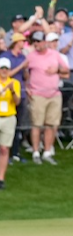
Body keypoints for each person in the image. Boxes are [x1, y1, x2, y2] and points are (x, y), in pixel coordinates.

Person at [28, 33, 69, 165]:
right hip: (37, 94)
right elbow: (24, 73)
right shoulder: (31, 56)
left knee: (50, 125)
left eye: (38, 41)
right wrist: (26, 87)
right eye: (34, 41)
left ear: (45, 42)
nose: (36, 44)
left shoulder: (54, 54)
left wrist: (57, 70)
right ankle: (35, 152)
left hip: (54, 94)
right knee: (36, 124)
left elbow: (66, 71)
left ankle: (47, 152)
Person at [1, 35, 28, 163]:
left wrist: (26, 68)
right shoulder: (5, 56)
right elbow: (8, 74)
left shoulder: (23, 56)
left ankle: (15, 153)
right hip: (5, 97)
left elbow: (25, 76)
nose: (24, 43)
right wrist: (22, 66)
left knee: (17, 126)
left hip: (19, 93)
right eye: (23, 41)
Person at [0, 57, 21, 190]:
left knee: (4, 148)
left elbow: (17, 102)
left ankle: (1, 178)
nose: (4, 71)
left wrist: (12, 90)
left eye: (6, 68)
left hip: (9, 117)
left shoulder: (14, 83)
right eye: (2, 68)